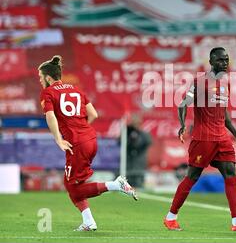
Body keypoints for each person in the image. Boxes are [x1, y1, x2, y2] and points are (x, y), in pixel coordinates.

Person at [163, 47, 236, 231]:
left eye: (226, 60)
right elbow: (183, 104)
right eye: (221, 60)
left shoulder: (225, 84)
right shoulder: (200, 82)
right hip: (204, 138)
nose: (224, 63)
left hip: (222, 138)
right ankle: (170, 217)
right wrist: (183, 125)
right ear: (211, 62)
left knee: (230, 173)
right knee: (192, 176)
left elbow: (224, 114)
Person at [38, 55, 138, 231]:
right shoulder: (76, 90)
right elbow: (94, 115)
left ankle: (116, 185)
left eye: (40, 77)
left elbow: (50, 115)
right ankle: (89, 222)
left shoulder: (48, 92)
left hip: (77, 143)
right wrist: (81, 130)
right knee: (71, 184)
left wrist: (59, 139)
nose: (40, 80)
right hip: (90, 139)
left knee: (74, 190)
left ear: (48, 77)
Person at [125, 114, 152, 188]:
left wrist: (138, 133)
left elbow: (148, 142)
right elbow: (120, 142)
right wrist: (128, 133)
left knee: (139, 184)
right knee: (127, 184)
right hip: (128, 162)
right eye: (133, 123)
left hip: (139, 162)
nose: (135, 125)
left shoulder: (144, 134)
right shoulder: (127, 133)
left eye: (137, 123)